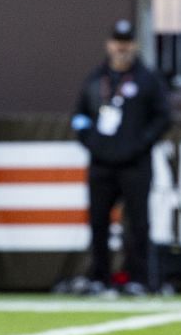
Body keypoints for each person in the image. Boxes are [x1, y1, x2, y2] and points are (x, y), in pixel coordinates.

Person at [69, 20, 172, 295]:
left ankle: (138, 279)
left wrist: (140, 143)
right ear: (109, 45)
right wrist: (91, 142)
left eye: (126, 44)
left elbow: (163, 117)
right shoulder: (94, 79)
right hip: (102, 163)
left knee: (138, 223)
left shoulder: (147, 80)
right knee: (99, 222)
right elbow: (79, 117)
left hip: (134, 164)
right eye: (117, 43)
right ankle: (99, 277)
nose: (122, 49)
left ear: (134, 46)